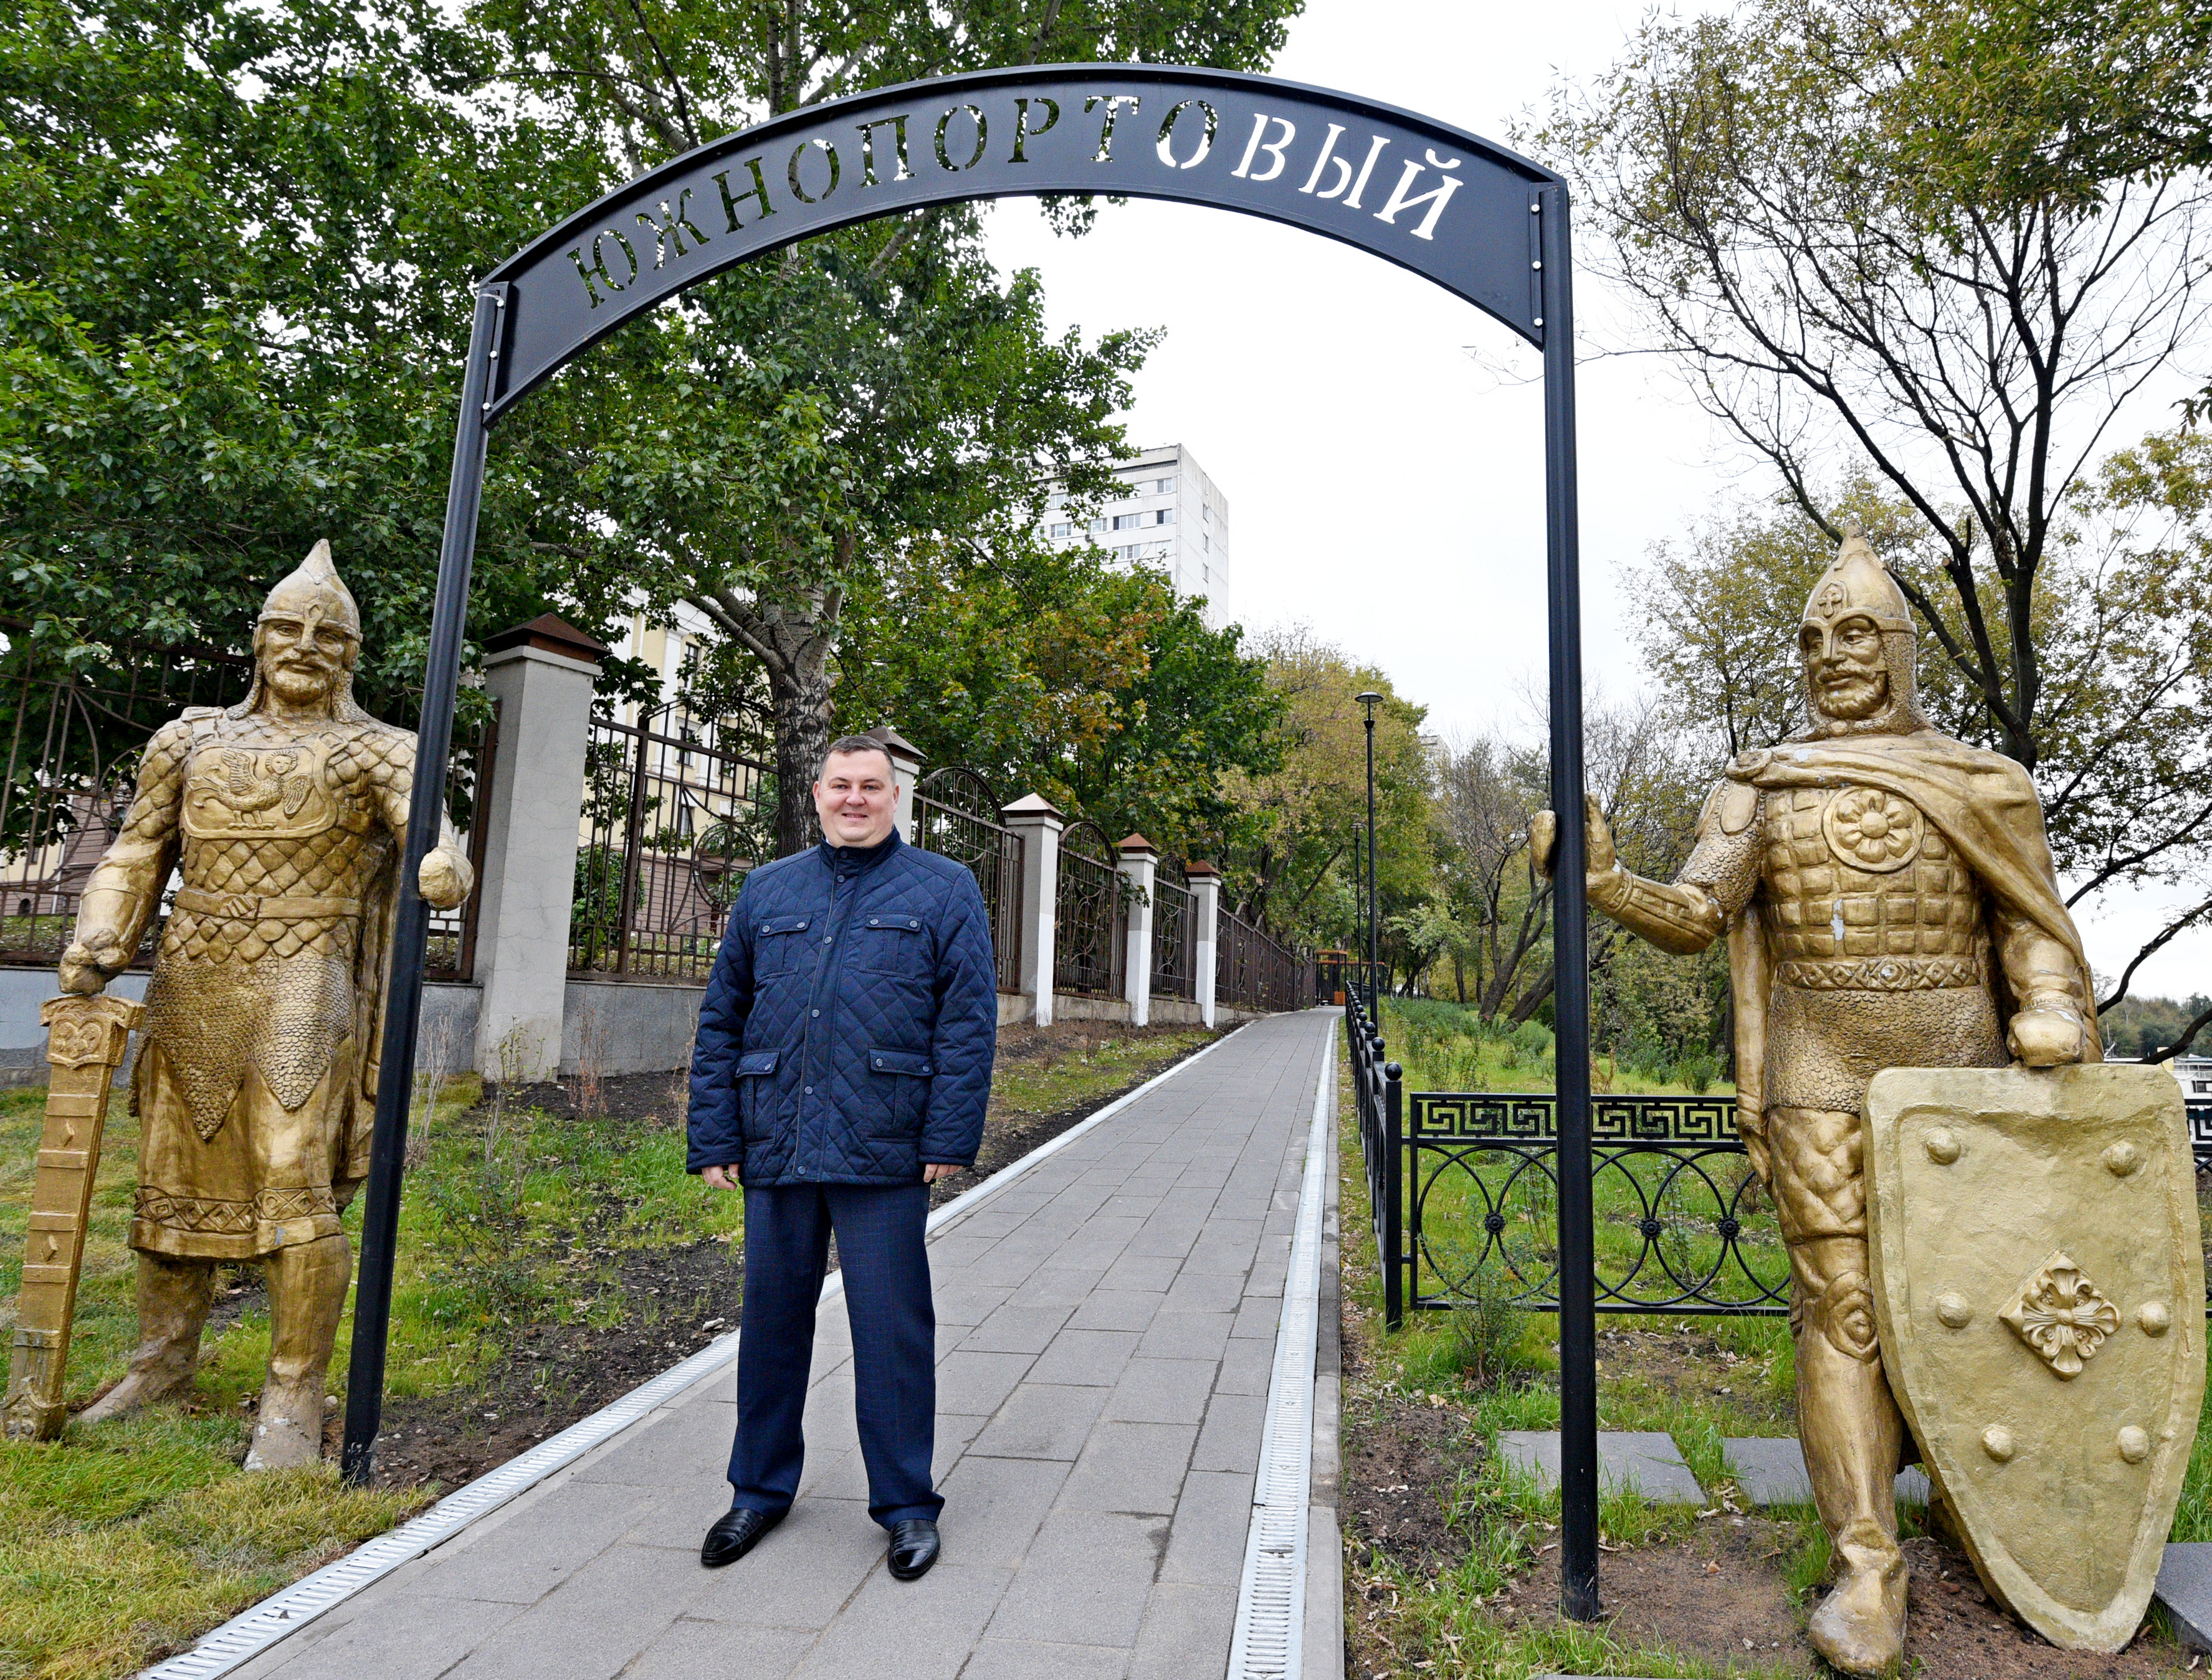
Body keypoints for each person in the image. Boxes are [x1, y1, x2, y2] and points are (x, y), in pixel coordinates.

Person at [1534, 523, 2098, 1676]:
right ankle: (1865, 1561)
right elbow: (1697, 914)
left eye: (1854, 633)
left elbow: (2028, 921)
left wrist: (2051, 1003)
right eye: (1812, 639)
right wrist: (1605, 882)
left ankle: (1987, 1509)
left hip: (1958, 1083)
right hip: (1818, 1076)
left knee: (1970, 1304)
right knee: (1841, 1308)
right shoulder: (1761, 786)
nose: (1831, 654)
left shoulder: (1982, 783)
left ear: (1897, 647)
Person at [59, 542, 474, 1468]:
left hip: (307, 973)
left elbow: (431, 835)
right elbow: (136, 851)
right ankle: (160, 1365)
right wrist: (103, 936)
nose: (306, 645)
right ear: (258, 640)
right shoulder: (190, 741)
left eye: (330, 635)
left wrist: (445, 864)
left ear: (352, 655)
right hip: (194, 968)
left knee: (291, 1175)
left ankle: (292, 1391)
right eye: (287, 627)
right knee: (171, 1175)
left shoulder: (380, 750)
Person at [687, 734, 998, 1582]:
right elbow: (722, 1018)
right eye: (839, 785)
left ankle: (905, 1505)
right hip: (777, 1139)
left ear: (895, 796)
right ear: (817, 793)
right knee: (772, 1324)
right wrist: (715, 1135)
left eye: (870, 785)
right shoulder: (767, 889)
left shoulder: (945, 888)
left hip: (884, 1142)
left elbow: (967, 1023)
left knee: (891, 1329)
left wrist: (947, 1135)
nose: (853, 798)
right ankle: (757, 1490)